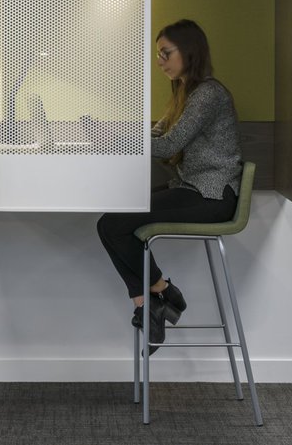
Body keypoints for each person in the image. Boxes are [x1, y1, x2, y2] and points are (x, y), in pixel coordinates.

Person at [96, 19, 242, 351]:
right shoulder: (184, 93)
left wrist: (118, 138)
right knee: (109, 225)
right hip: (192, 189)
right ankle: (152, 299)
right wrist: (116, 137)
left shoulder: (208, 94)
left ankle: (159, 297)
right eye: (158, 54)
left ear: (189, 51)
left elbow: (166, 146)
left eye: (166, 53)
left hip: (213, 196)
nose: (160, 62)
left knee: (113, 224)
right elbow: (159, 134)